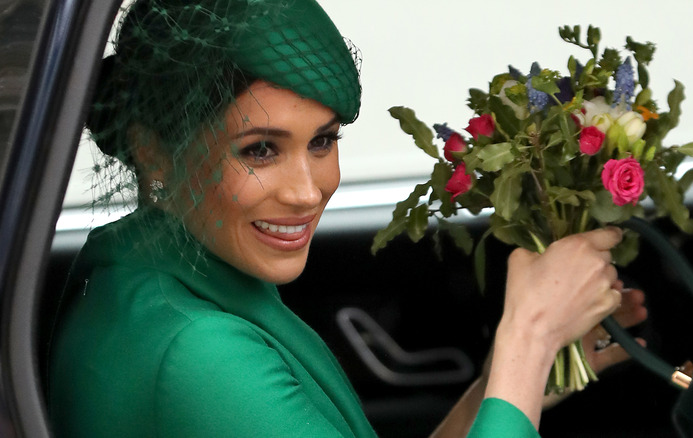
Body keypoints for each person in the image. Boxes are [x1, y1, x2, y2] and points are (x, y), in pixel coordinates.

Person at [47, 0, 647, 437]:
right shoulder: (198, 352)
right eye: (259, 150)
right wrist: (531, 333)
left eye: (323, 141)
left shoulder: (150, 274)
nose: (309, 192)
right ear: (154, 150)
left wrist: (508, 387)